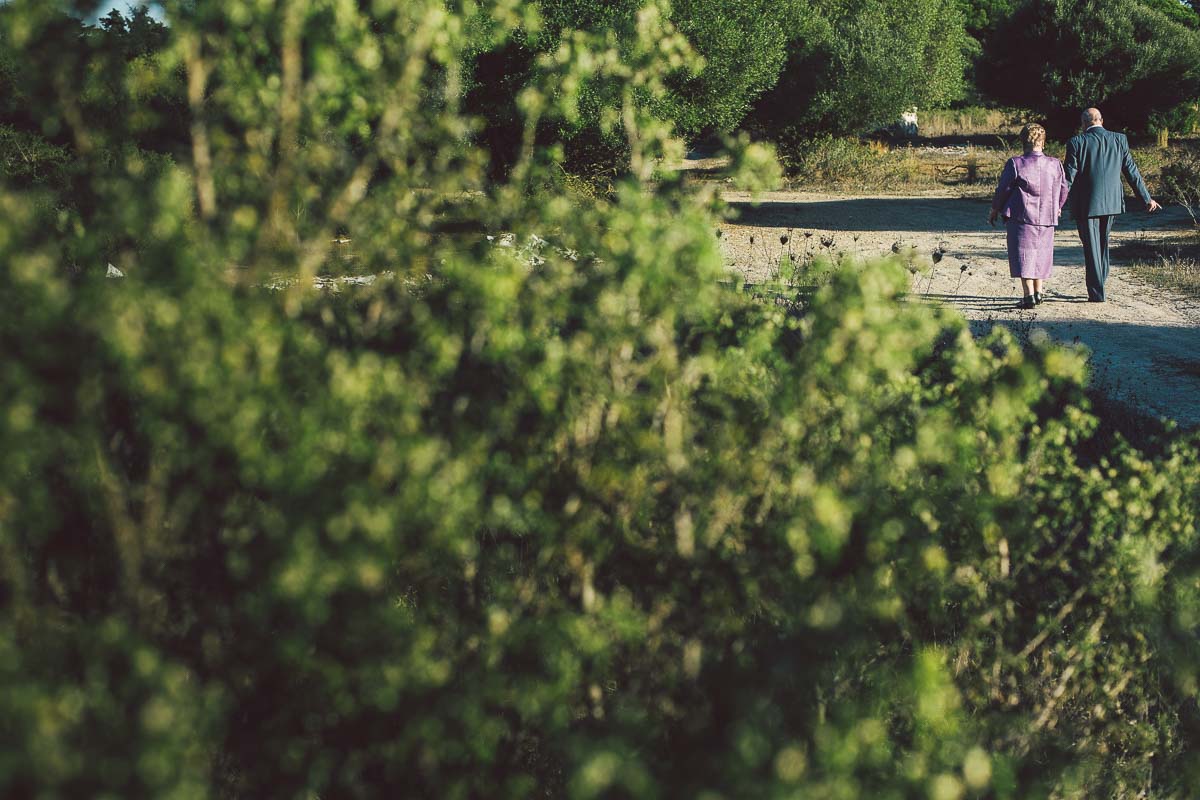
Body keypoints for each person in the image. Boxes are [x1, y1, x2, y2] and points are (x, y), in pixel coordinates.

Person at [1064, 107, 1161, 302]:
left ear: (1084, 124)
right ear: (1101, 120)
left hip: (1087, 204)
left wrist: (1055, 202)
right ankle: (1100, 280)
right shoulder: (1119, 139)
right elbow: (1131, 170)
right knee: (1102, 243)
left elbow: (1069, 176)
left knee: (1091, 247)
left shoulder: (1076, 142)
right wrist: (1146, 198)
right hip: (1112, 202)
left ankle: (1097, 292)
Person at [989, 123, 1069, 309]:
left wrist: (995, 209)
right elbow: (1064, 189)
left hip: (1021, 216)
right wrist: (1058, 206)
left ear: (1023, 140)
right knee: (1041, 253)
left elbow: (1003, 190)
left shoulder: (1016, 163)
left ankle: (1028, 295)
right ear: (1043, 141)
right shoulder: (1055, 164)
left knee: (1024, 254)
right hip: (1047, 217)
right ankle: (1039, 292)